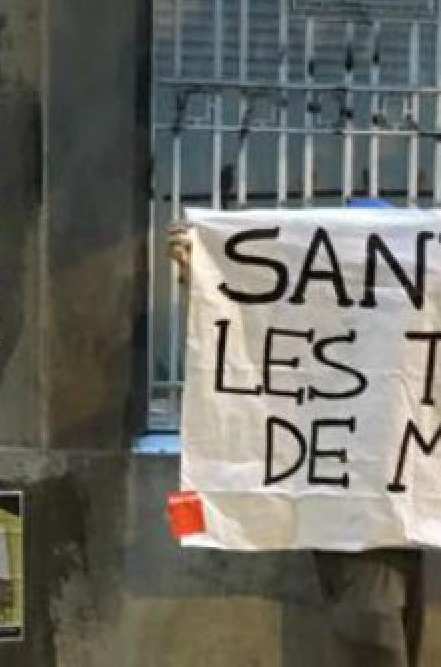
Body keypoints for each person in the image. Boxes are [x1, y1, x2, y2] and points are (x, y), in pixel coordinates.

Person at [167, 199, 423, 667]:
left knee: (384, 618)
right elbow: (250, 331)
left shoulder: (409, 310)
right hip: (339, 488)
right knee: (372, 617)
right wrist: (202, 273)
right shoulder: (320, 311)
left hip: (394, 495)